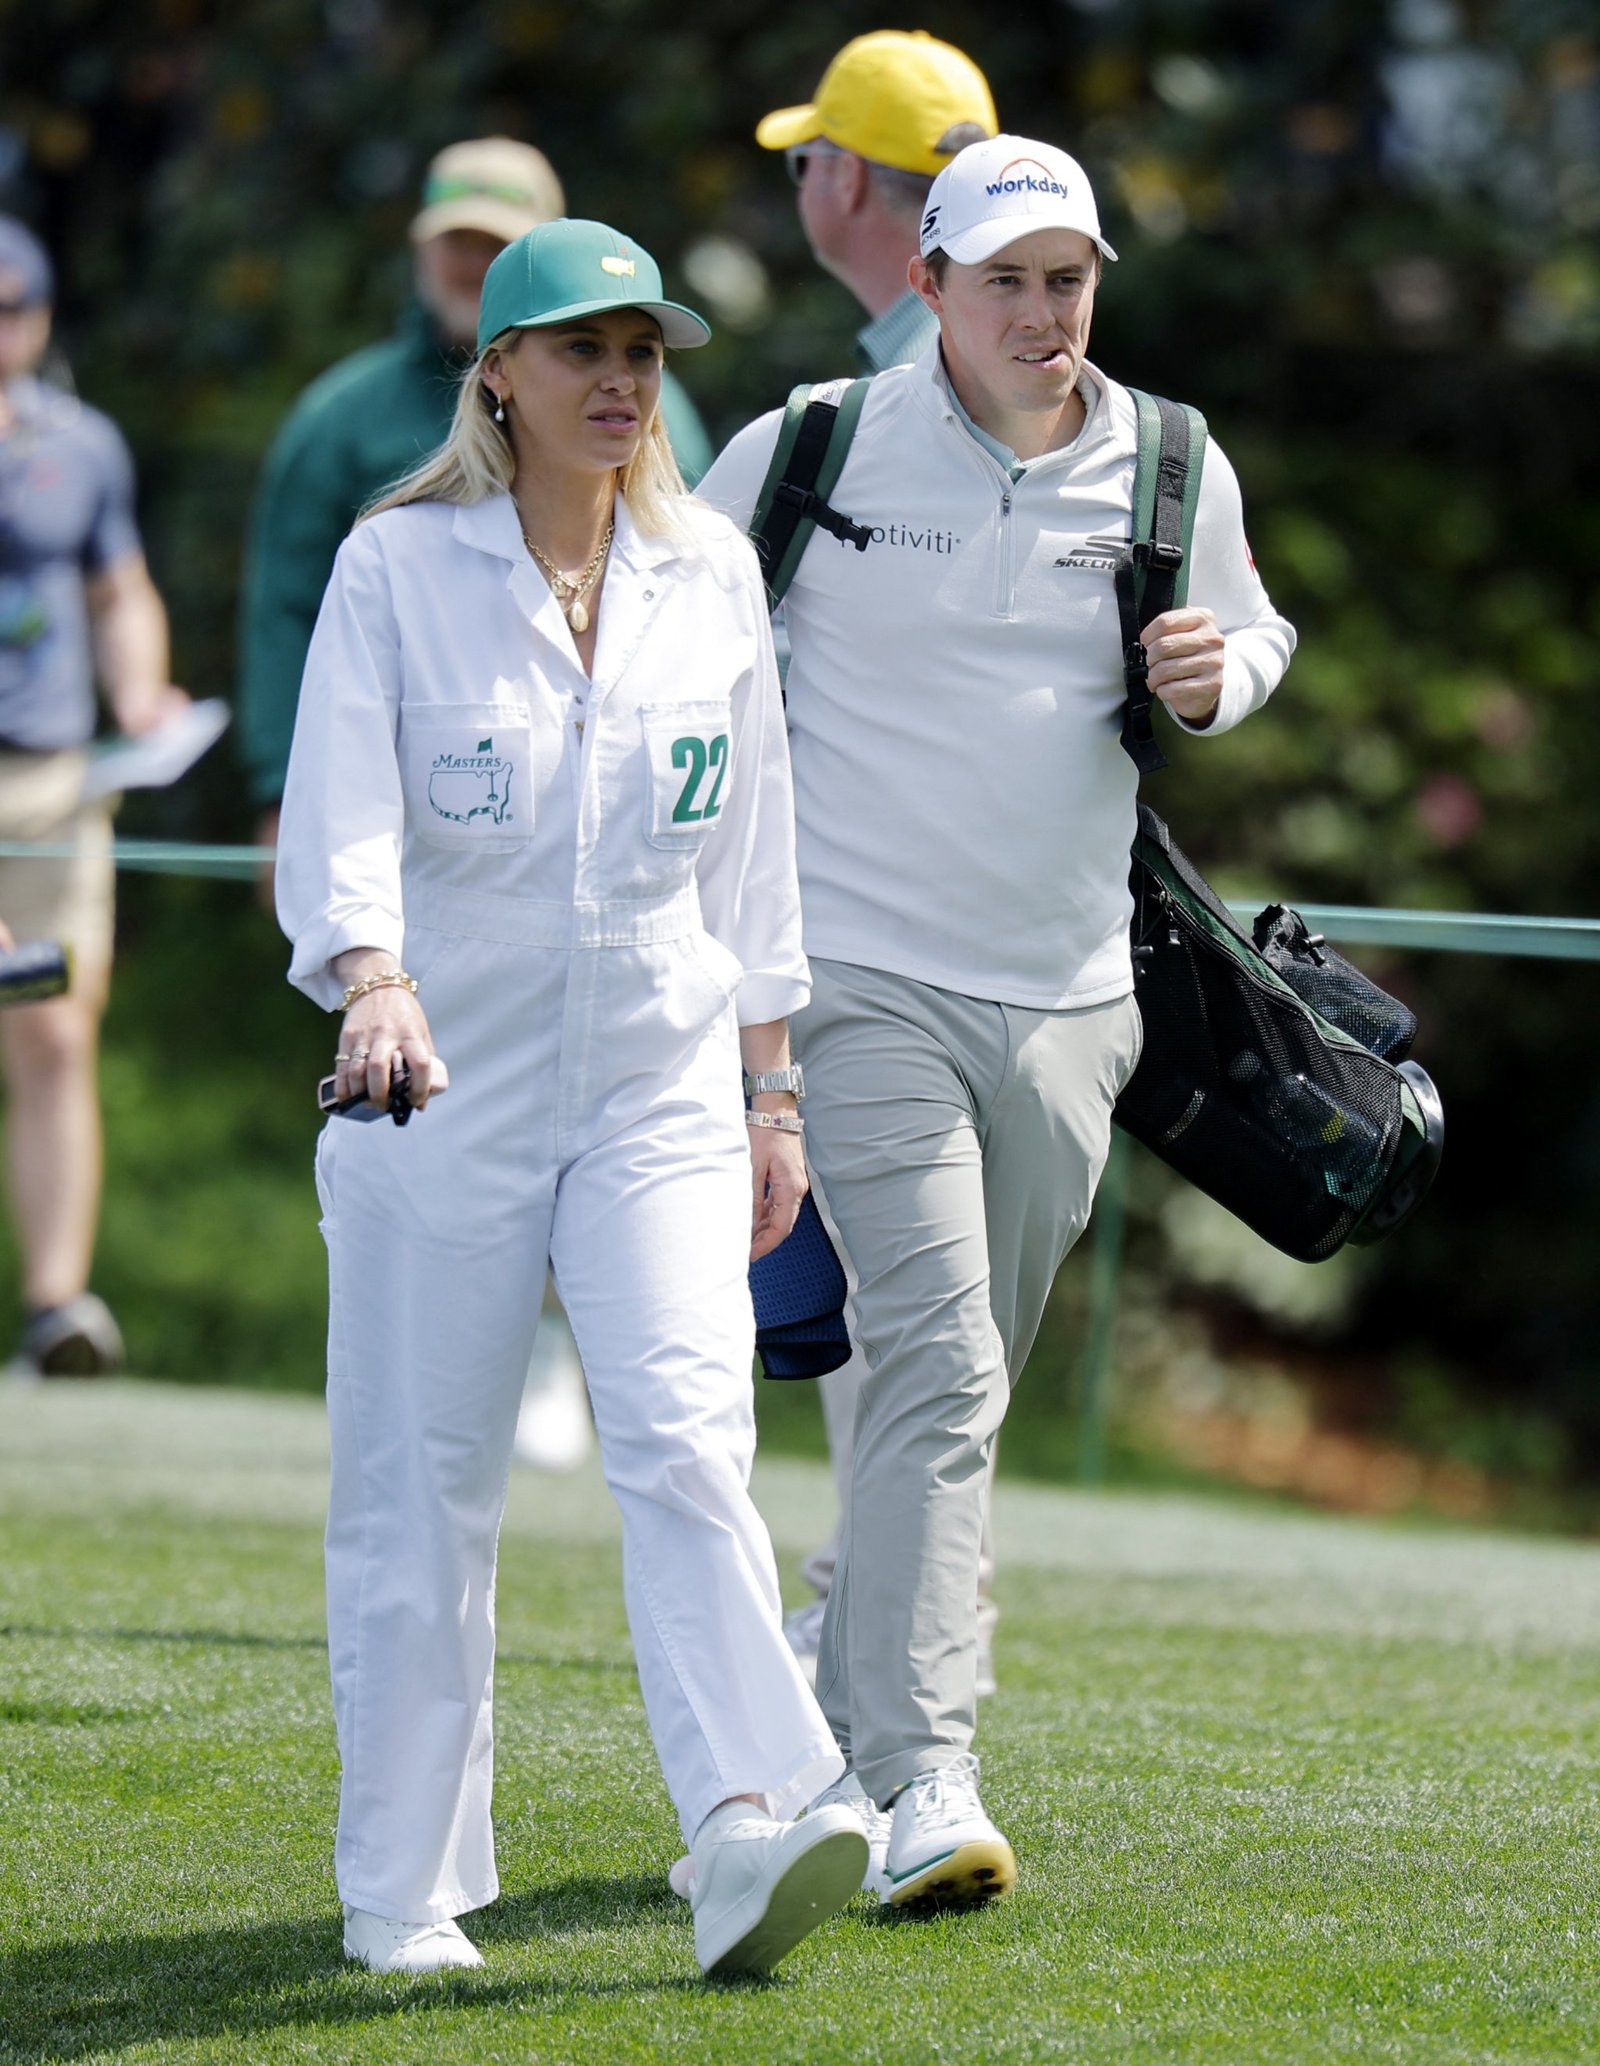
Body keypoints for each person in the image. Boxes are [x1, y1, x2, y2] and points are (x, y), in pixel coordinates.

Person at [699, 135, 1297, 1908]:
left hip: (1073, 1006)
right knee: (943, 1374)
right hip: (856, 983)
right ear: (926, 288)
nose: (1044, 313)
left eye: (1070, 279)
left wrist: (1222, 677)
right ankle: (924, 1778)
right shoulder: (807, 445)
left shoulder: (1172, 457)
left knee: (955, 1390)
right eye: (1007, 280)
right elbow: (671, 631)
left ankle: (822, 1697)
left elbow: (1255, 632)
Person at [275, 217, 868, 1978]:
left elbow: (759, 857)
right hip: (433, 1086)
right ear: (501, 374)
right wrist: (370, 975)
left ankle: (756, 1821)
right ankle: (405, 1890)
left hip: (666, 1083)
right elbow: (341, 811)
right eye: (583, 353)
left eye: (643, 356)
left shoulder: (712, 577)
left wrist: (777, 1098)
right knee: (423, 1484)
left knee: (691, 1441)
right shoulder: (400, 568)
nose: (620, 384)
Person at [240, 137, 708, 1470]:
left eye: (493, 242)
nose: (617, 381)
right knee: (420, 1115)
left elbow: (721, 600)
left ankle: (556, 1345)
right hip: (421, 865)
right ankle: (470, 1345)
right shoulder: (341, 420)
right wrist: (286, 795)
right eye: (454, 240)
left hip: (615, 868)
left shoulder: (649, 425)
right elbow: (286, 611)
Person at [752, 29, 1004, 1694]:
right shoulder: (967, 376)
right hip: (971, 941)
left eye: (804, 161)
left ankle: (884, 1656)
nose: (799, 187)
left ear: (849, 184)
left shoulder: (901, 404)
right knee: (919, 1328)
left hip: (893, 948)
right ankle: (884, 1639)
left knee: (907, 1333)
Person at [0, 215, 189, 1378]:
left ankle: (54, 1305)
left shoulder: (83, 445)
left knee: (52, 1030)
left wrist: (142, 692)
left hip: (53, 790)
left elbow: (121, 592)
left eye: (11, 308)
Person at [757, 28, 996, 375]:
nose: (801, 180)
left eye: (803, 159)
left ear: (846, 177)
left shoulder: (912, 383)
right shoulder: (1005, 344)